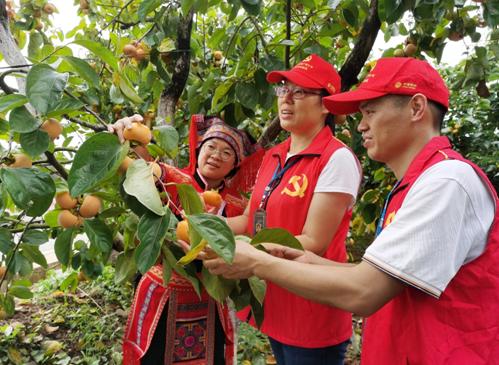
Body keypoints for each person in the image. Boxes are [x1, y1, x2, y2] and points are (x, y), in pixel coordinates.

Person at [202, 57, 499, 364]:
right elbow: (385, 277)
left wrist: (257, 260)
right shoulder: (415, 185)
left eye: (370, 111)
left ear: (416, 108)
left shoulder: (446, 182)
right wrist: (309, 259)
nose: (361, 125)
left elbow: (364, 292)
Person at [225, 54, 362, 365]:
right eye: (283, 89)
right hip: (275, 302)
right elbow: (253, 219)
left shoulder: (335, 158)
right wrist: (203, 226)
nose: (286, 99)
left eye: (299, 92)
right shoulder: (274, 155)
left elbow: (315, 241)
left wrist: (252, 256)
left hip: (311, 310)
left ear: (326, 104)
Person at [110, 114, 262, 365]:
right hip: (163, 295)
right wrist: (130, 133)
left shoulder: (238, 207)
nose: (216, 155)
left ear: (236, 164)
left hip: (209, 298)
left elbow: (255, 234)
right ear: (199, 150)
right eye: (211, 147)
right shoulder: (174, 180)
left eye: (227, 153)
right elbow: (143, 166)